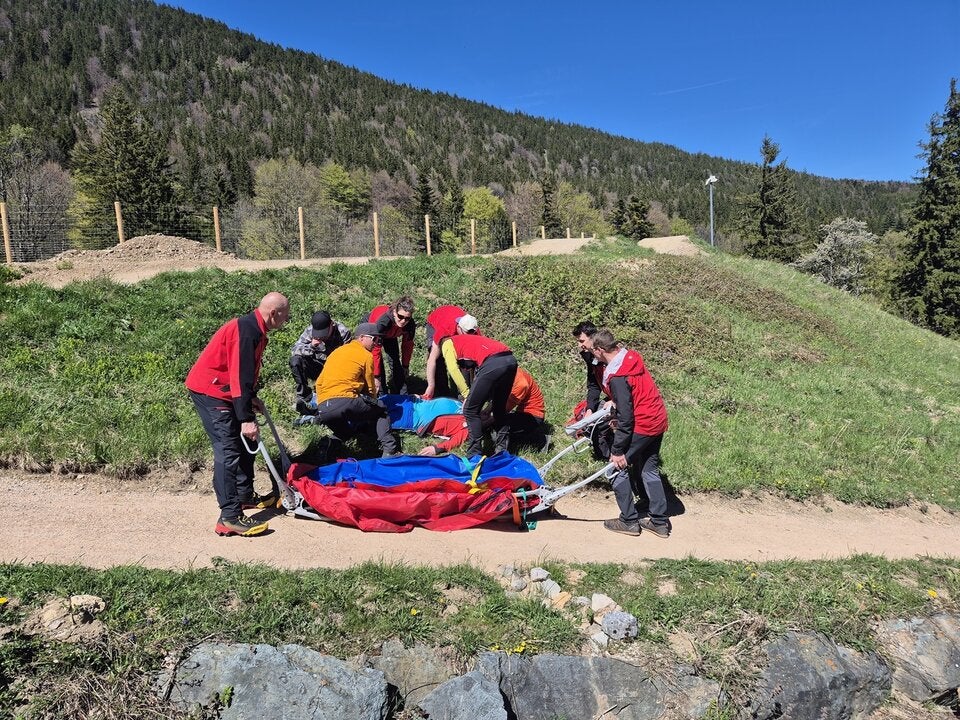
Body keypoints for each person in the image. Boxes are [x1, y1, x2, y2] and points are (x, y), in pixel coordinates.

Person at [185, 292, 290, 537]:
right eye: (286, 316)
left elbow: (242, 375)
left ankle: (244, 496)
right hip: (211, 391)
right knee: (228, 450)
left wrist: (249, 400)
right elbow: (239, 375)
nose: (287, 321)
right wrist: (246, 419)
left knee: (245, 444)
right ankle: (229, 517)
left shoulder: (255, 328)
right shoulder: (247, 331)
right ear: (273, 313)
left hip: (226, 389)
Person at [590, 329, 671, 539]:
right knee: (649, 468)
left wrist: (617, 450)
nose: (593, 357)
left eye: (593, 352)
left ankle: (628, 521)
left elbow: (626, 419)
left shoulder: (618, 376)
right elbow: (633, 396)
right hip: (657, 419)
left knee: (615, 468)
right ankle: (660, 522)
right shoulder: (631, 359)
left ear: (600, 350)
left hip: (642, 424)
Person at [312, 322, 400, 457]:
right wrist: (373, 403)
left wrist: (321, 404)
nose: (377, 343)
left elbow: (318, 383)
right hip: (345, 400)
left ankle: (328, 444)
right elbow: (370, 389)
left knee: (347, 432)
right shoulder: (365, 355)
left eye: (379, 340)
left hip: (324, 408)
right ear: (362, 337)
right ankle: (390, 450)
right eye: (375, 339)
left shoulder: (337, 352)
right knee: (380, 410)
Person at [441, 330, 518, 456]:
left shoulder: (447, 343)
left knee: (470, 410)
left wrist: (466, 394)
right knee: (499, 408)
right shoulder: (469, 341)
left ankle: (474, 454)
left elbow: (453, 370)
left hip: (493, 363)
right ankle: (502, 450)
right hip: (510, 360)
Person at [289, 310, 352, 414]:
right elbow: (295, 349)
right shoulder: (310, 331)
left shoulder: (343, 333)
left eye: (324, 333)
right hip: (318, 367)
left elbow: (349, 357)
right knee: (295, 361)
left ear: (331, 324)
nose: (321, 337)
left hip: (336, 370)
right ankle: (305, 396)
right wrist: (311, 346)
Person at [366, 296, 417, 395]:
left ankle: (403, 394)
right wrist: (376, 376)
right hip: (374, 331)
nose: (403, 321)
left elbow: (407, 345)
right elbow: (375, 351)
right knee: (377, 364)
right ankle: (381, 393)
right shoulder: (383, 322)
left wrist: (405, 366)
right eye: (401, 316)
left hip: (390, 335)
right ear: (394, 312)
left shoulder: (409, 324)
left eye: (407, 318)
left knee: (395, 360)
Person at [422, 305, 473, 399]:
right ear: (458, 327)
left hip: (451, 319)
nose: (466, 338)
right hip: (436, 323)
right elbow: (432, 359)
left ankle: (462, 396)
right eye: (464, 335)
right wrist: (430, 385)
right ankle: (442, 394)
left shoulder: (473, 330)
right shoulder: (444, 330)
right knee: (438, 360)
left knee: (464, 360)